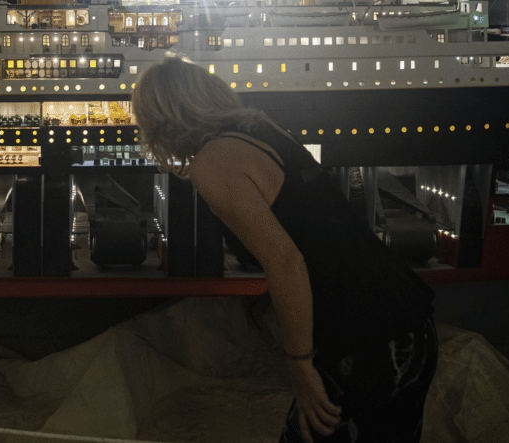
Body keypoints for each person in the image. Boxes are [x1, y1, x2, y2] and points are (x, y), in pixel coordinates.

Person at [133, 56, 437, 443]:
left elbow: (286, 262)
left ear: (160, 116)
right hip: (410, 321)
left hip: (363, 342)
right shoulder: (262, 128)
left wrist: (300, 364)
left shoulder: (212, 163)